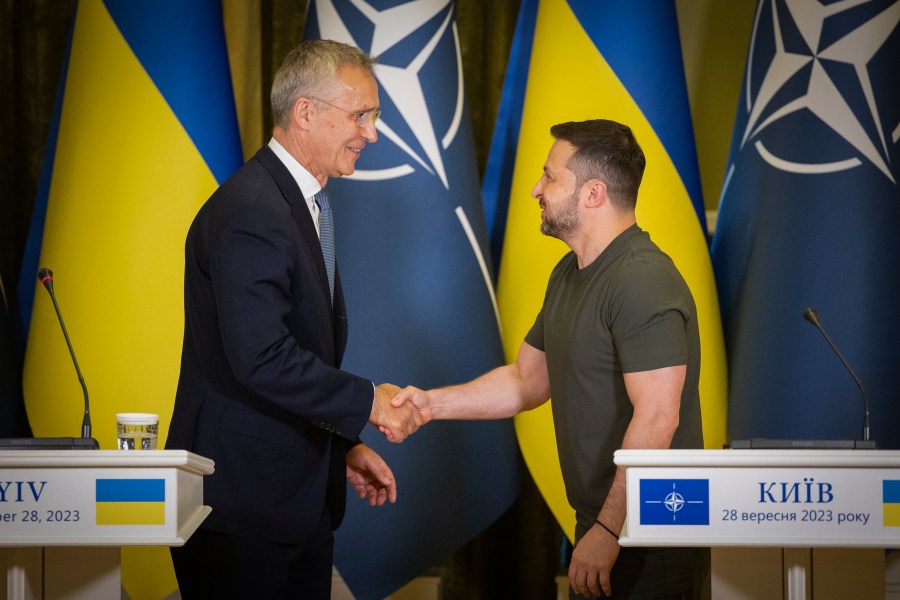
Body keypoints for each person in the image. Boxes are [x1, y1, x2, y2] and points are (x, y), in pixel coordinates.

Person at [392, 119, 708, 599]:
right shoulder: (569, 272)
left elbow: (659, 416)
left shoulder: (643, 281)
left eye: (550, 176)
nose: (536, 189)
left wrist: (608, 531)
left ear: (593, 193)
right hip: (604, 521)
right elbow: (525, 381)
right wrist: (429, 404)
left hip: (654, 527)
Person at [166, 39, 421, 598]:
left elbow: (293, 351)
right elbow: (261, 357)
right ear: (306, 112)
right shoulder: (255, 211)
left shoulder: (294, 202)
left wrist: (341, 444)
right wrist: (369, 401)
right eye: (361, 115)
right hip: (241, 506)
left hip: (291, 503)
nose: (372, 134)